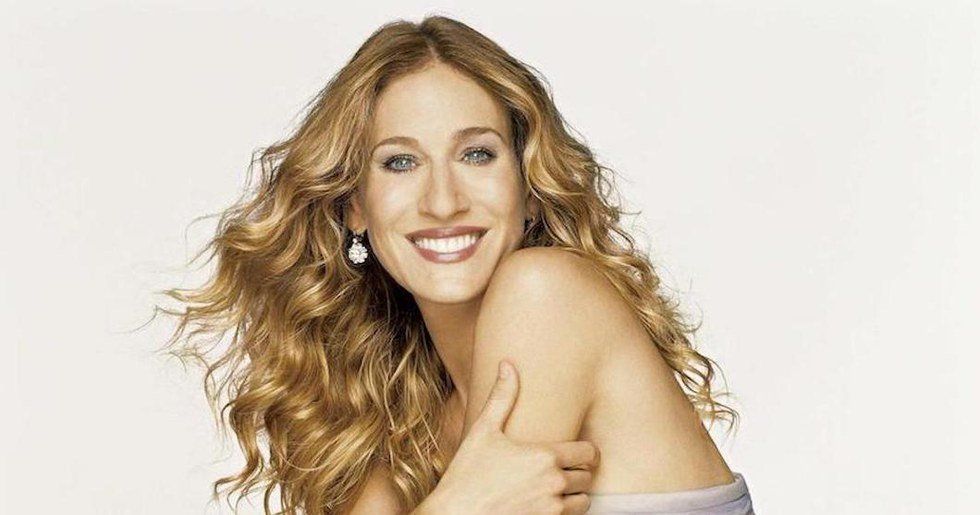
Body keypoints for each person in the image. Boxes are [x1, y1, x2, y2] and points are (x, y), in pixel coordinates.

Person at [157, 15, 753, 515]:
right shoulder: (393, 417)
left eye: (477, 154)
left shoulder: (546, 294)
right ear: (355, 205)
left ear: (528, 186)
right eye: (399, 162)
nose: (443, 201)